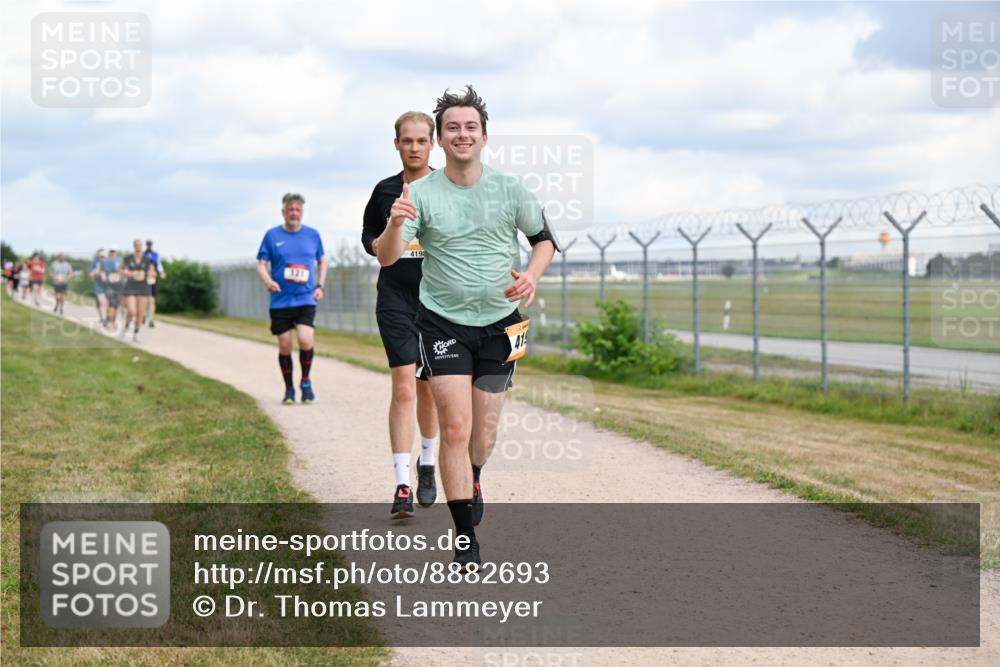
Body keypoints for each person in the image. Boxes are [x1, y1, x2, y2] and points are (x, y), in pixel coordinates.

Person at [377, 86, 558, 567]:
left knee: (484, 433)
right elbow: (388, 257)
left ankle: (474, 474)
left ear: (484, 136)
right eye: (453, 127)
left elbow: (543, 240)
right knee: (455, 426)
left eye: (470, 127)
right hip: (442, 323)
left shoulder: (511, 188)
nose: (462, 134)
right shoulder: (420, 194)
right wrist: (394, 225)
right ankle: (464, 537)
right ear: (440, 139)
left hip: (502, 324)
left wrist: (532, 275)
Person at [363, 111, 441, 519]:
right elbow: (368, 235)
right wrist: (380, 239)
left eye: (421, 140)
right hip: (395, 299)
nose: (414, 147)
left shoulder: (447, 188)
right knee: (404, 388)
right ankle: (401, 483)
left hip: (437, 302)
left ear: (433, 144)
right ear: (396, 144)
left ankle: (427, 461)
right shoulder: (384, 190)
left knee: (428, 389)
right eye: (407, 140)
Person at [256, 193, 328, 404]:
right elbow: (261, 264)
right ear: (283, 212)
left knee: (305, 339)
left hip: (305, 298)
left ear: (302, 212)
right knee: (285, 345)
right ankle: (289, 389)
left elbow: (323, 261)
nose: (294, 213)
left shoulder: (312, 235)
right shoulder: (272, 235)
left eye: (298, 210)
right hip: (280, 301)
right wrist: (268, 281)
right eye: (290, 209)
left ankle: (305, 381)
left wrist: (320, 285)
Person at [122, 239, 153, 342]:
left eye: (140, 245)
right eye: (137, 245)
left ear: (142, 246)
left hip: (143, 288)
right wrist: (128, 273)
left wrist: (151, 274)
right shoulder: (128, 258)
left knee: (140, 313)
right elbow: (120, 270)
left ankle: (136, 334)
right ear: (134, 246)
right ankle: (126, 327)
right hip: (130, 287)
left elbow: (152, 271)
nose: (138, 247)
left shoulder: (147, 259)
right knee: (132, 311)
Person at [143, 239, 166, 327]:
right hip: (144, 279)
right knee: (145, 299)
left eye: (150, 244)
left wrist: (161, 272)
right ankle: (144, 314)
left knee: (152, 300)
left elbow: (159, 265)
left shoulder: (156, 255)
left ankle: (151, 319)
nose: (149, 246)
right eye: (148, 244)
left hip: (152, 279)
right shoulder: (143, 254)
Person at [102, 247, 124, 332]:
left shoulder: (120, 260)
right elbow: (102, 271)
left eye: (114, 251)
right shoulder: (105, 261)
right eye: (111, 251)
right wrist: (103, 276)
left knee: (116, 304)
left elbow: (124, 270)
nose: (112, 253)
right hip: (110, 285)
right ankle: (109, 322)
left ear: (116, 252)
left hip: (119, 285)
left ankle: (113, 321)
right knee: (111, 303)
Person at [88, 249, 109, 325]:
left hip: (107, 285)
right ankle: (103, 319)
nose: (101, 258)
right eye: (100, 256)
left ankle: (105, 318)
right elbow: (90, 273)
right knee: (101, 301)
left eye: (103, 256)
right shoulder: (94, 262)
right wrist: (96, 272)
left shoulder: (108, 262)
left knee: (105, 302)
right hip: (97, 284)